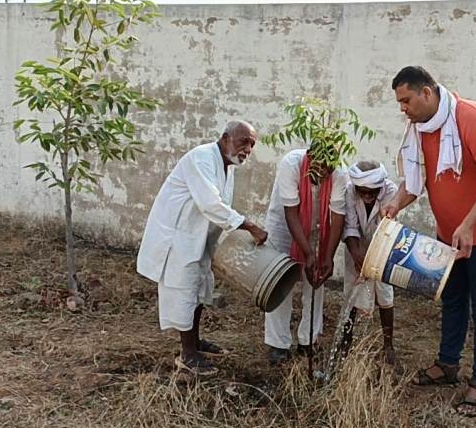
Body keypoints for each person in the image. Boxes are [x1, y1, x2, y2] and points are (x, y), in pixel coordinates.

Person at [383, 66, 476, 416]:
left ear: (427, 92)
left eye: (406, 100)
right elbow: (415, 180)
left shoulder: (473, 117)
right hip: (449, 235)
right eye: (399, 102)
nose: (402, 109)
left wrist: (469, 224)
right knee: (453, 300)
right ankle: (448, 365)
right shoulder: (420, 128)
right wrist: (396, 202)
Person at [137, 120, 268, 377]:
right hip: (177, 239)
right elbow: (210, 204)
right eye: (244, 142)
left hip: (197, 241)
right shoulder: (201, 158)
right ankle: (187, 355)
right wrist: (250, 226)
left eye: (251, 146)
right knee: (185, 293)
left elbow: (214, 210)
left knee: (198, 292)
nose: (247, 150)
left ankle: (195, 344)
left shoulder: (226, 167)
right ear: (225, 137)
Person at [263, 145, 348, 365]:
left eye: (329, 168)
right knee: (280, 280)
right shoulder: (291, 164)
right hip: (283, 224)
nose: (324, 173)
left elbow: (338, 216)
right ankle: (278, 344)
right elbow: (291, 214)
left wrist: (327, 257)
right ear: (310, 158)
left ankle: (308, 340)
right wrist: (308, 253)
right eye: (320, 167)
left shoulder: (339, 174)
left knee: (316, 279)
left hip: (316, 226)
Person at [340, 160, 398, 365]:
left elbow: (388, 227)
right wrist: (356, 255)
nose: (366, 196)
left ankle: (388, 344)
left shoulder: (391, 191)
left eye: (370, 192)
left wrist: (372, 258)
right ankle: (345, 341)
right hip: (356, 246)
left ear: (379, 187)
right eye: (361, 191)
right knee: (352, 293)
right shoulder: (348, 191)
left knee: (384, 292)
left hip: (383, 246)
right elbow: (350, 226)